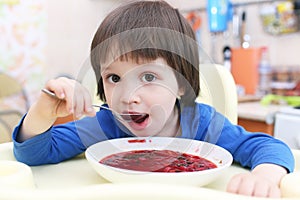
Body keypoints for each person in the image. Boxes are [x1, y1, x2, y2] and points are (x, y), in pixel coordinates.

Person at [12, 0, 294, 198]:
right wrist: (44, 110)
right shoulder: (105, 125)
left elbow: (268, 147)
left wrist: (264, 177)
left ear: (182, 85)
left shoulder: (202, 123)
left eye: (148, 77)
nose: (128, 96)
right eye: (114, 78)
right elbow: (33, 154)